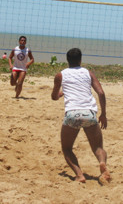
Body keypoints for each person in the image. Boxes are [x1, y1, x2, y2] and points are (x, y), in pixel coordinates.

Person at [51, 48, 110, 184]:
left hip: (72, 113)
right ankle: (102, 162)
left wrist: (60, 94)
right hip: (89, 113)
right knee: (98, 148)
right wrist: (103, 114)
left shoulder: (60, 75)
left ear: (67, 60)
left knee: (67, 149)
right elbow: (101, 93)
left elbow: (54, 97)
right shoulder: (88, 73)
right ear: (80, 60)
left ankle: (79, 175)